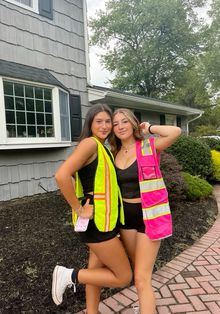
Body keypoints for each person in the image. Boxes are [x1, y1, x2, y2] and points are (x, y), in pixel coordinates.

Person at [52, 104, 132, 313]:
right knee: (124, 277)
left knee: (95, 272)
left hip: (103, 220)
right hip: (97, 222)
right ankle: (68, 275)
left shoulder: (102, 147)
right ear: (90, 123)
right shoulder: (90, 144)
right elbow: (61, 176)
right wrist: (79, 209)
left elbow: (83, 176)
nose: (105, 126)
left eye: (108, 122)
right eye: (99, 121)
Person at [109, 108, 181, 314]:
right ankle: (144, 304)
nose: (120, 126)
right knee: (139, 271)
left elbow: (175, 132)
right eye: (116, 123)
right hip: (125, 218)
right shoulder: (113, 153)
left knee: (141, 278)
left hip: (149, 216)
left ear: (133, 124)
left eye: (125, 121)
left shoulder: (149, 146)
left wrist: (149, 128)